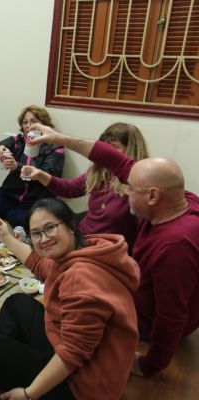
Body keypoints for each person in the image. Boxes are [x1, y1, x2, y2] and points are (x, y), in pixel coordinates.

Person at [27, 124, 199, 377]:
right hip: (133, 292)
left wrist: (148, 365)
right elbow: (112, 160)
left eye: (130, 189)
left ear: (152, 196)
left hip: (145, 319)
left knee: (67, 318)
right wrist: (58, 137)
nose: (125, 190)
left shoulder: (175, 246)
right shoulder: (176, 198)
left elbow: (171, 317)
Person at [0, 198, 140, 400]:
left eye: (50, 228)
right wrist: (6, 236)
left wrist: (29, 394)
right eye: (36, 233)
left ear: (70, 225)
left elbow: (73, 353)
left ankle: (2, 371)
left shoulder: (79, 279)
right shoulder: (85, 249)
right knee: (16, 303)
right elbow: (41, 266)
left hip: (83, 385)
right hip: (73, 347)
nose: (44, 239)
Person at [21, 122, 149, 250]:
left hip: (105, 251)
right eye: (105, 147)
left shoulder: (138, 186)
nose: (108, 154)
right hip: (83, 239)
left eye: (114, 148)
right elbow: (70, 189)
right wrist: (40, 175)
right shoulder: (99, 172)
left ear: (131, 150)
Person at [0, 105, 64, 228]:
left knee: (18, 220)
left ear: (44, 124)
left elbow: (50, 175)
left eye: (34, 121)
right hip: (10, 192)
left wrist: (16, 167)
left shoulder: (55, 146)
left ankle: (9, 213)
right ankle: (6, 210)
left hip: (36, 199)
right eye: (25, 122)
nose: (29, 125)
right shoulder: (18, 140)